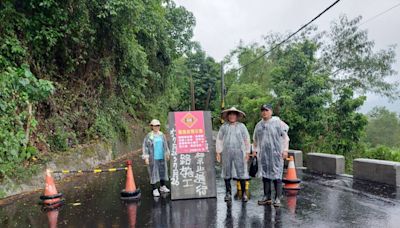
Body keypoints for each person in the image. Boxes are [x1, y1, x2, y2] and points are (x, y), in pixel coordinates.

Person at [253, 104, 289, 207]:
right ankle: (267, 197)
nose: (264, 112)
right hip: (264, 155)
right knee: (265, 175)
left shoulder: (277, 123)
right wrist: (255, 150)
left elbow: (285, 137)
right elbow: (255, 140)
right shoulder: (259, 125)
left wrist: (285, 150)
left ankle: (277, 197)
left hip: (276, 154)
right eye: (263, 110)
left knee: (277, 175)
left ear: (271, 111)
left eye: (266, 110)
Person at [216, 107, 251, 202]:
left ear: (237, 116)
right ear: (228, 116)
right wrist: (218, 152)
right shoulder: (224, 127)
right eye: (230, 114)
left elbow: (246, 139)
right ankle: (228, 193)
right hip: (227, 152)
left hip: (240, 152)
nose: (232, 116)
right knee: (226, 172)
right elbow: (219, 139)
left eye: (233, 114)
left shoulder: (242, 126)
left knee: (241, 172)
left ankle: (244, 193)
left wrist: (248, 151)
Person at [142, 119, 170, 197]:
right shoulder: (149, 136)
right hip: (153, 157)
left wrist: (167, 153)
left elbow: (165, 145)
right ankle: (154, 189)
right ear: (152, 126)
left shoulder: (162, 135)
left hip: (161, 156)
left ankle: (162, 186)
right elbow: (145, 147)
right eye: (155, 126)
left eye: (158, 125)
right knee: (153, 173)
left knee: (162, 171)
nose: (157, 127)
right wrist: (146, 157)